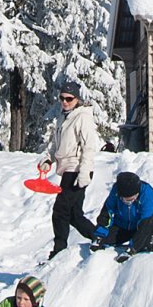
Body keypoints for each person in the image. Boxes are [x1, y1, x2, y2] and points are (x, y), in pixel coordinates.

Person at [39, 87, 101, 258]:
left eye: (69, 99)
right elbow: (56, 146)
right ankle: (100, 237)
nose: (65, 102)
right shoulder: (63, 118)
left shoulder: (82, 117)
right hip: (67, 169)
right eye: (62, 98)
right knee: (74, 215)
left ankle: (58, 251)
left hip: (76, 170)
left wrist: (84, 173)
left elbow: (89, 147)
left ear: (77, 99)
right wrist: (48, 159)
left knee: (60, 210)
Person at [91, 171, 153, 261]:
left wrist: (133, 249)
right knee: (106, 239)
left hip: (142, 226)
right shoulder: (116, 191)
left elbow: (145, 224)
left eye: (132, 199)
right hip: (122, 224)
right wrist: (99, 236)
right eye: (126, 200)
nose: (129, 202)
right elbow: (107, 213)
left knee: (147, 244)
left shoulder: (147, 194)